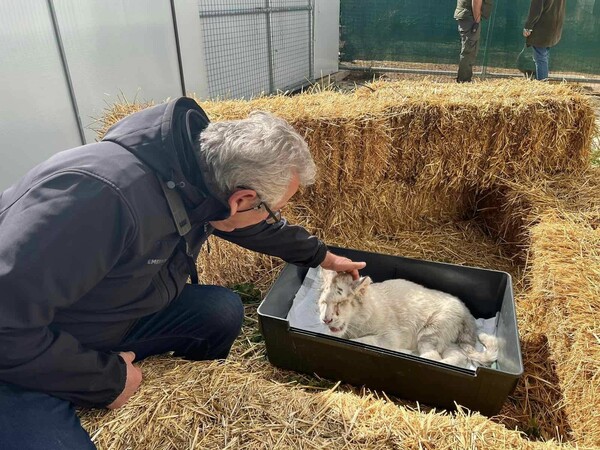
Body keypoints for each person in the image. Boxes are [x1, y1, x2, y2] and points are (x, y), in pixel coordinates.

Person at [0, 97, 366, 449]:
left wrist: (321, 257)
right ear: (241, 199)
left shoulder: (197, 176)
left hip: (100, 313)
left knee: (220, 312)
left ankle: (191, 391)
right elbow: (6, 325)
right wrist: (106, 379)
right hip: (26, 347)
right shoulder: (99, 200)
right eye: (272, 211)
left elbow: (249, 226)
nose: (270, 219)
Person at [523, 0, 566, 81]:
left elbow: (535, 9)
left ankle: (542, 85)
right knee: (543, 56)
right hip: (555, 23)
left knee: (540, 58)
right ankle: (542, 82)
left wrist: (528, 26)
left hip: (542, 26)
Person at [454, 0, 494, 82]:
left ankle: (464, 80)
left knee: (469, 48)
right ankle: (464, 81)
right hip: (471, 17)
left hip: (467, 15)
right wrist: (477, 21)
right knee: (469, 50)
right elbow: (476, 1)